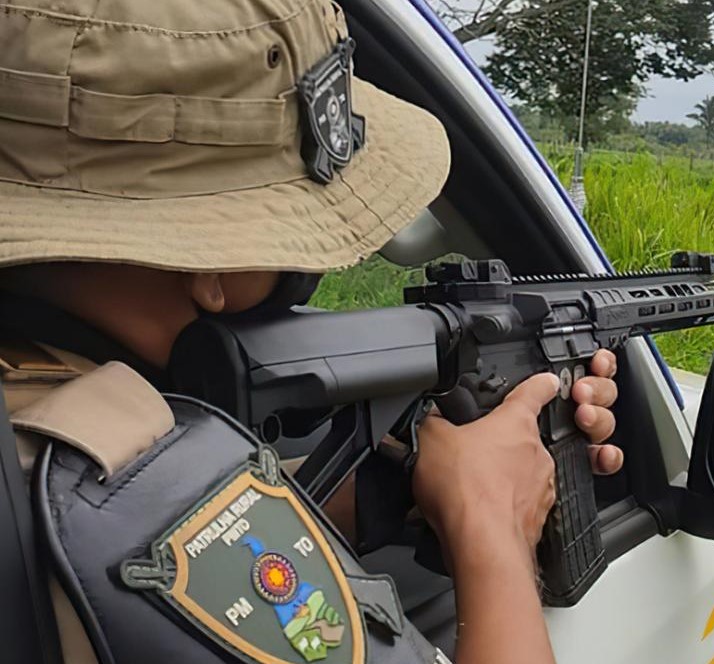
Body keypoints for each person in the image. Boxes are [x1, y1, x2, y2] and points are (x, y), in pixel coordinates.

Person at [0, 1, 622, 662]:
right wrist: (492, 522)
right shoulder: (121, 487)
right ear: (215, 262)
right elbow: (190, 536)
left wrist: (397, 489)